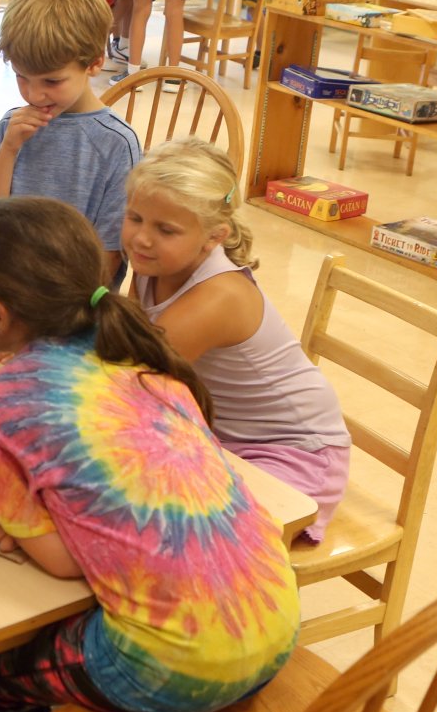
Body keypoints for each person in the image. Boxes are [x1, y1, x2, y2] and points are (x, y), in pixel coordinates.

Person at [0, 197, 301, 712]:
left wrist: (21, 530)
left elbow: (55, 563)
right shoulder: (152, 367)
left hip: (182, 666)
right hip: (277, 623)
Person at [124, 138, 351, 541]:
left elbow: (131, 383)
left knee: (173, 533)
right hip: (220, 439)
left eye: (165, 229)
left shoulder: (218, 297)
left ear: (213, 237)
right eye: (135, 217)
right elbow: (122, 348)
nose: (141, 238)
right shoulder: (153, 265)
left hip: (295, 454)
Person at [0, 0, 140, 287]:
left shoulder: (116, 144)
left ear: (94, 63)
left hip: (74, 307)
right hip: (6, 293)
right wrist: (8, 150)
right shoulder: (12, 126)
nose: (34, 96)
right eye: (22, 77)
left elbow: (108, 257)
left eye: (51, 81)